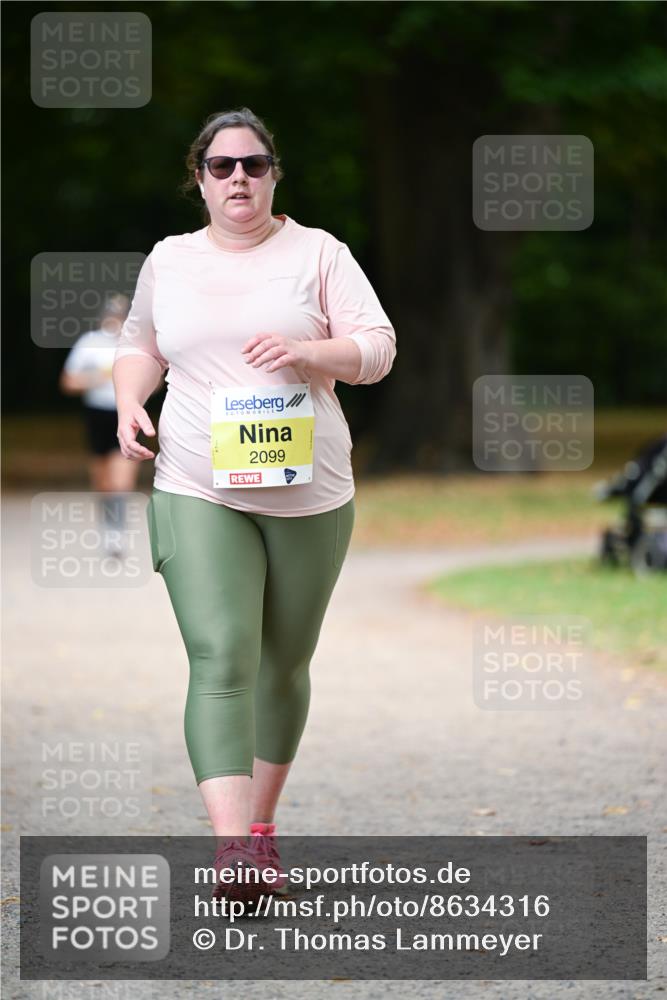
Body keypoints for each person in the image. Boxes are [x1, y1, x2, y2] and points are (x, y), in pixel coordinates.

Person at [112, 107, 396, 900]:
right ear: (198, 179)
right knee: (221, 654)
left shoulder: (318, 254)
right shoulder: (169, 260)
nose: (239, 177)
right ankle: (233, 849)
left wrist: (311, 352)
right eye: (222, 165)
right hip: (198, 484)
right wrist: (132, 403)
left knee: (282, 663)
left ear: (273, 177)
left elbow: (377, 348)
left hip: (309, 494)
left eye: (255, 164)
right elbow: (139, 345)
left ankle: (262, 829)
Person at [60, 293, 149, 557]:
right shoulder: (89, 343)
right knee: (104, 482)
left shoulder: (136, 344)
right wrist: (97, 377)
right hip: (97, 416)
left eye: (121, 316)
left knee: (122, 480)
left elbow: (153, 383)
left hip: (127, 414)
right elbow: (68, 382)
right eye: (112, 315)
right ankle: (108, 527)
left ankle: (117, 535)